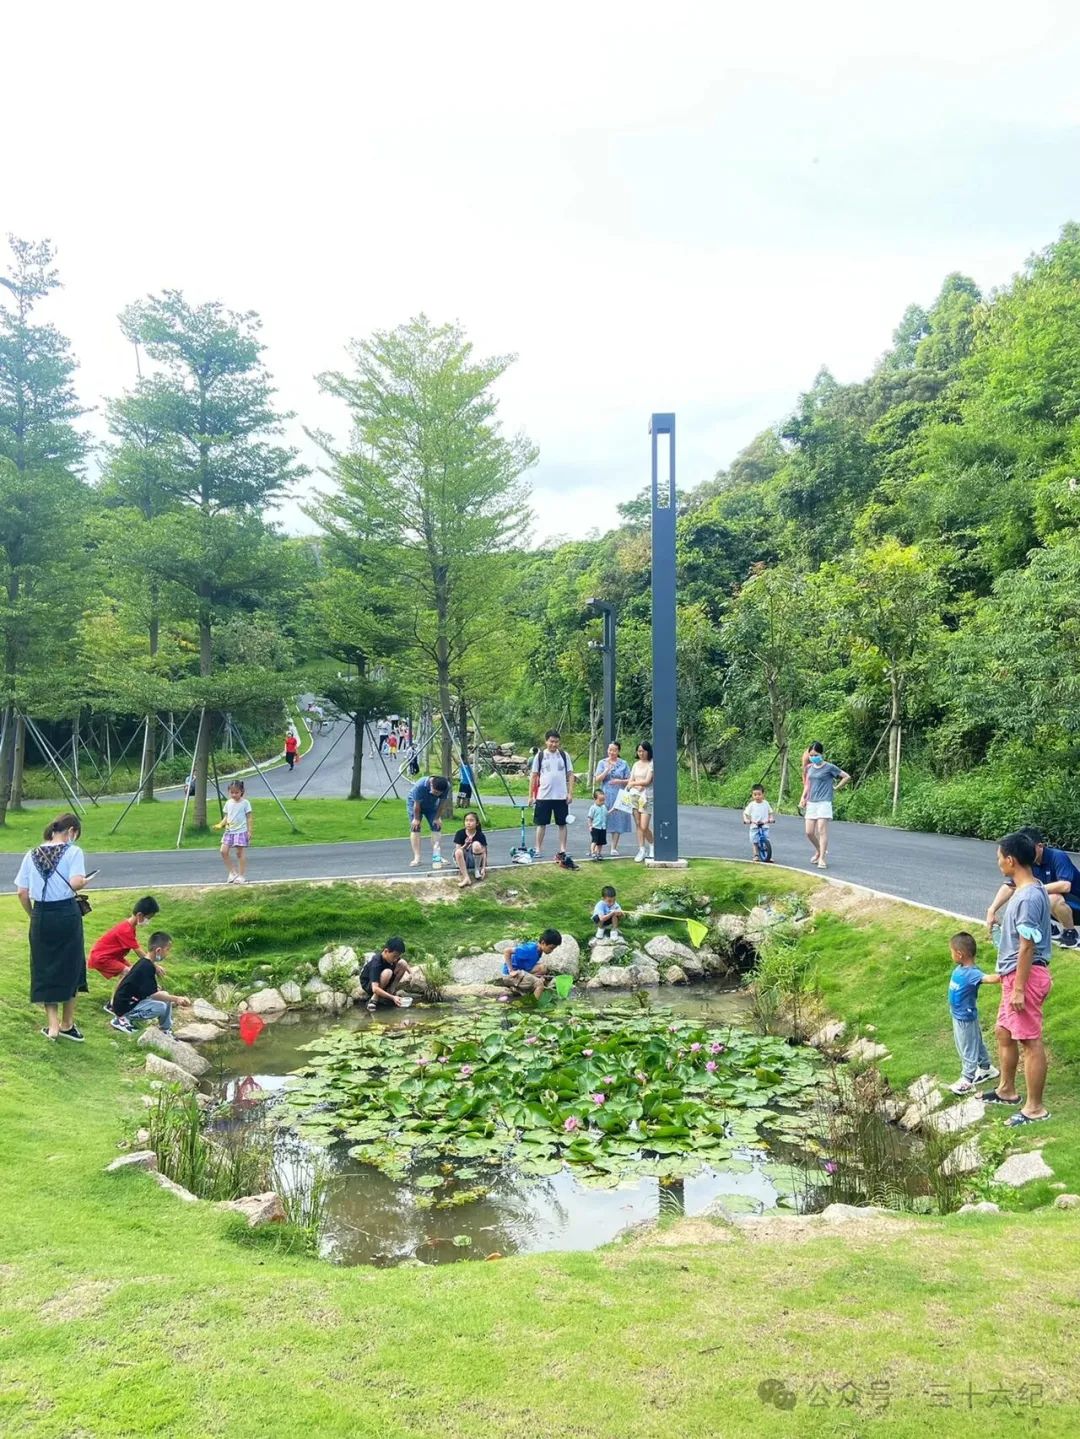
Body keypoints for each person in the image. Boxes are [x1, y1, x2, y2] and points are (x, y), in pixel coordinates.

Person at [985, 831, 1053, 1125]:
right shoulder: (1026, 890)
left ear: (1011, 860)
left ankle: (1035, 1108)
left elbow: (1028, 945)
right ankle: (1007, 1090)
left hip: (1024, 977)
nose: (999, 863)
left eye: (1000, 858)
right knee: (1004, 1032)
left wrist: (1020, 988)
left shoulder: (1027, 898)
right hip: (1012, 975)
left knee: (1029, 1040)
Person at [15, 813, 90, 1043]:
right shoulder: (73, 851)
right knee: (72, 964)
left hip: (41, 914)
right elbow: (76, 882)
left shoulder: (31, 854)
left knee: (45, 966)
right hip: (66, 913)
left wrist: (33, 914)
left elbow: (22, 892)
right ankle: (68, 1024)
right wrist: (85, 881)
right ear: (71, 832)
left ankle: (53, 1026)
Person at [985, 827, 1080, 949]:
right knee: (1026, 895)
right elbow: (1010, 886)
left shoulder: (1057, 856)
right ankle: (1049, 928)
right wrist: (992, 910)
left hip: (1075, 904)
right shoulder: (1029, 862)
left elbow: (1065, 886)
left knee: (1049, 897)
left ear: (1040, 846)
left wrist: (1032, 889)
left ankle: (1070, 933)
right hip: (1058, 907)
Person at [946, 931, 1002, 1094]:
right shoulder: (961, 968)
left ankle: (967, 1079)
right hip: (957, 1015)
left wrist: (1004, 973)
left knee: (967, 1047)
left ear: (959, 954)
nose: (951, 955)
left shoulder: (973, 973)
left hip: (965, 1017)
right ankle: (986, 1068)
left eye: (951, 951)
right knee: (975, 1042)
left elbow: (990, 978)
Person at [109, 933, 190, 1035]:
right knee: (161, 1006)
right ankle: (122, 1019)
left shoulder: (146, 963)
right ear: (158, 951)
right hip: (124, 1007)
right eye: (167, 950)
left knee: (165, 996)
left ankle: (166, 1029)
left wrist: (169, 996)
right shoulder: (146, 967)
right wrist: (177, 999)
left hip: (133, 1000)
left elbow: (144, 987)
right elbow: (154, 994)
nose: (168, 953)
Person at [89, 896, 162, 1008]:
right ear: (139, 915)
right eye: (149, 918)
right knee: (127, 973)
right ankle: (114, 1005)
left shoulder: (130, 927)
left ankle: (134, 996)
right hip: (102, 957)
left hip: (113, 956)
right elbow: (139, 952)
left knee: (134, 972)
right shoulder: (125, 930)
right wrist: (154, 965)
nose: (149, 921)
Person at [800, 741, 849, 870]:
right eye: (811, 755)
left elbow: (846, 777)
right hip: (812, 802)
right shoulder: (809, 768)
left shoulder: (829, 767)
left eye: (815, 754)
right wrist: (803, 798)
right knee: (809, 832)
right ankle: (819, 850)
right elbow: (807, 785)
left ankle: (822, 858)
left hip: (824, 802)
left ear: (821, 754)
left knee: (822, 830)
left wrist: (837, 787)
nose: (813, 757)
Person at [531, 731, 575, 858]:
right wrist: (530, 796)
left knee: (562, 823)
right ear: (546, 741)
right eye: (551, 741)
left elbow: (570, 774)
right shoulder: (540, 756)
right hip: (543, 796)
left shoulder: (563, 755)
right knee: (541, 823)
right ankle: (538, 848)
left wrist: (570, 793)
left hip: (561, 796)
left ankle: (563, 849)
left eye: (556, 742)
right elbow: (534, 776)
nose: (553, 744)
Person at [501, 928, 562, 999]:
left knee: (543, 968)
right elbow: (507, 951)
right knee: (540, 985)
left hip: (522, 970)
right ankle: (532, 1006)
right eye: (551, 948)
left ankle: (525, 986)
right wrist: (511, 970)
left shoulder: (538, 950)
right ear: (543, 943)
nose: (552, 951)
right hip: (511, 976)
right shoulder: (529, 950)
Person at [594, 741, 631, 854]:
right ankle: (596, 847)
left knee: (617, 820)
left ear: (618, 751)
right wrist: (606, 770)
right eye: (610, 750)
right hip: (605, 794)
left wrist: (620, 781)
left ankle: (613, 847)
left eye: (614, 750)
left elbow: (630, 780)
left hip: (619, 794)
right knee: (601, 819)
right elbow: (597, 779)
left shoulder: (624, 763)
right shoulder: (602, 762)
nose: (612, 752)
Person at [214, 781, 253, 884]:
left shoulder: (245, 803)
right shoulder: (228, 803)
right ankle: (232, 872)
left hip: (240, 831)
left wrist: (249, 831)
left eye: (236, 792)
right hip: (229, 831)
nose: (234, 795)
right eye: (232, 792)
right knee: (223, 851)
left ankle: (241, 875)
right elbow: (227, 817)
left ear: (242, 792)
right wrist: (220, 824)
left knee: (239, 853)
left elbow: (249, 818)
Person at [407, 774, 450, 867]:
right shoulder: (420, 785)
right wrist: (416, 819)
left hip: (432, 804)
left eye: (439, 793)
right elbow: (416, 804)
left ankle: (437, 856)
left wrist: (437, 817)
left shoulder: (446, 786)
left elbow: (442, 803)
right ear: (431, 784)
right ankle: (417, 857)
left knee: (436, 826)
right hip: (415, 803)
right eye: (435, 792)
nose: (437, 794)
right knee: (415, 827)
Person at [360, 938, 411, 1009]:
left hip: (384, 980)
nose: (396, 959)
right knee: (388, 972)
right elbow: (375, 988)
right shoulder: (376, 962)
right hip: (371, 985)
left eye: (398, 956)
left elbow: (404, 964)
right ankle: (374, 998)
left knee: (403, 963)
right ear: (386, 951)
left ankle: (391, 991)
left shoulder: (391, 958)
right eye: (394, 956)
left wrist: (411, 974)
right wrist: (393, 998)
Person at [628, 741, 655, 862]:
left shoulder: (652, 764)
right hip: (634, 795)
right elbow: (630, 780)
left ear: (648, 751)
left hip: (647, 796)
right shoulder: (635, 764)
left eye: (643, 751)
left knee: (644, 825)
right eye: (639, 751)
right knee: (638, 824)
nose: (641, 753)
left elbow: (647, 781)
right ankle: (641, 849)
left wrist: (635, 783)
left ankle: (652, 845)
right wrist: (633, 785)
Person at [453, 811, 488, 887]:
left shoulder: (480, 835)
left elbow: (484, 852)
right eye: (466, 820)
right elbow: (457, 851)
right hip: (463, 860)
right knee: (458, 851)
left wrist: (483, 867)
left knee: (476, 844)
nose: (468, 823)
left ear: (477, 823)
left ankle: (476, 870)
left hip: (475, 860)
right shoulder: (460, 833)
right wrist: (465, 845)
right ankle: (466, 878)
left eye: (471, 820)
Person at [742, 784, 775, 862]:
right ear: (752, 795)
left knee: (766, 839)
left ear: (763, 794)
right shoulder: (751, 805)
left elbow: (770, 812)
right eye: (755, 795)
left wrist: (771, 818)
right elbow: (745, 813)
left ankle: (768, 856)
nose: (757, 796)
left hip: (764, 825)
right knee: (755, 841)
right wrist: (746, 820)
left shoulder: (766, 803)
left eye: (759, 794)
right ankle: (756, 855)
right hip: (754, 825)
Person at [587, 788, 609, 860]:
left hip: (602, 827)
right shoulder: (593, 808)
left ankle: (598, 853)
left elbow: (606, 814)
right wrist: (590, 826)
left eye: (603, 800)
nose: (602, 802)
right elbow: (590, 817)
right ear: (595, 799)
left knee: (601, 842)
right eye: (600, 800)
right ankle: (593, 852)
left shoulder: (604, 807)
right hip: (595, 827)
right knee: (595, 840)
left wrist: (613, 810)